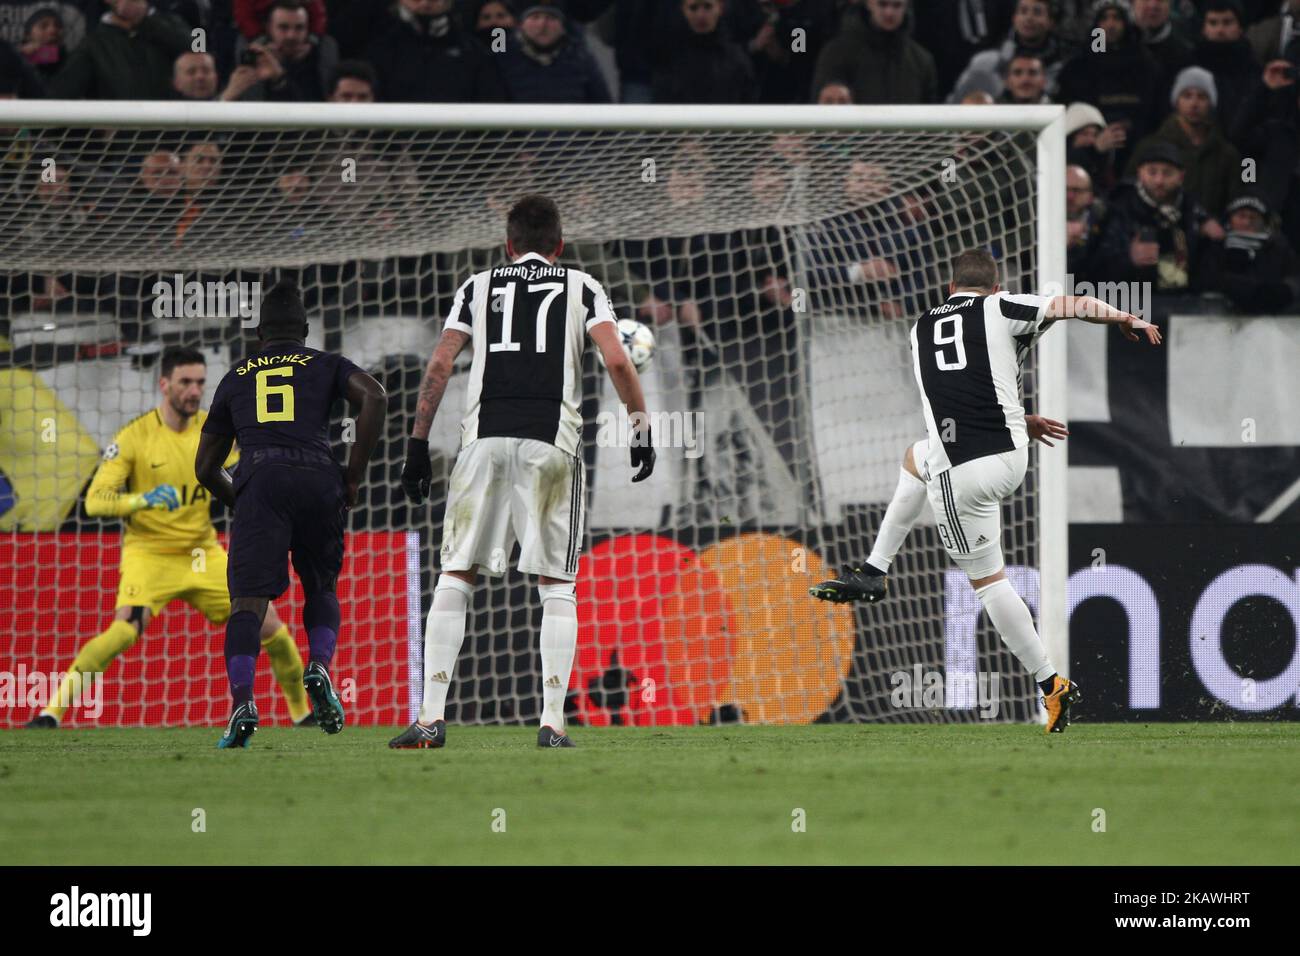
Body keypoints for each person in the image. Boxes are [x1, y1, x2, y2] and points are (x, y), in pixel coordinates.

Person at [810, 249, 1162, 733]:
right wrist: (1126, 316)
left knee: (988, 581)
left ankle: (1049, 683)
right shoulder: (1001, 307)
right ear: (994, 288)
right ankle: (874, 570)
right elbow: (1072, 303)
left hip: (965, 469)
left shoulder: (919, 328)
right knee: (917, 458)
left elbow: (958, 386)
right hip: (1009, 454)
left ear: (948, 289)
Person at [391, 194, 655, 750]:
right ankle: (552, 723)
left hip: (482, 443)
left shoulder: (476, 286)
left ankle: (429, 718)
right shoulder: (581, 285)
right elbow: (616, 359)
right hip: (550, 445)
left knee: (455, 574)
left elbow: (440, 363)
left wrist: (417, 443)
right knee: (556, 584)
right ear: (559, 246)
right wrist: (640, 427)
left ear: (507, 245)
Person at [25, 346, 315, 730]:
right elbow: (95, 501)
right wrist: (141, 499)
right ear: (164, 384)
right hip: (150, 552)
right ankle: (51, 713)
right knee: (124, 629)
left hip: (202, 550)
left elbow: (245, 476)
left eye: (199, 382)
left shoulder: (214, 430)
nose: (194, 391)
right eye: (185, 383)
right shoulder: (134, 436)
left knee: (271, 628)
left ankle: (303, 715)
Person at [195, 281, 387, 748]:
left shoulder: (237, 375)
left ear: (259, 333)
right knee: (320, 586)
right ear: (304, 330)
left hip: (260, 477)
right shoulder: (326, 364)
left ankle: (243, 703)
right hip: (320, 477)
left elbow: (204, 467)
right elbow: (375, 397)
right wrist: (353, 476)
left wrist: (243, 501)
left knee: (247, 604)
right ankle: (319, 666)